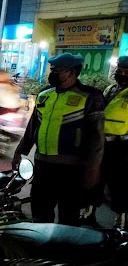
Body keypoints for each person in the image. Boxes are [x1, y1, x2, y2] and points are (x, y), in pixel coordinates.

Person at [12, 53, 105, 225]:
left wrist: (93, 171)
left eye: (57, 70)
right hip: (43, 166)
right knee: (39, 213)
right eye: (52, 70)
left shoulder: (90, 97)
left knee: (68, 216)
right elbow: (33, 127)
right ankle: (41, 249)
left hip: (71, 170)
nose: (52, 73)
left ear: (71, 72)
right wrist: (20, 151)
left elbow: (96, 140)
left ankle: (62, 250)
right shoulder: (44, 95)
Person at [100, 56, 128, 228]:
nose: (122, 73)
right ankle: (88, 213)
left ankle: (121, 218)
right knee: (98, 180)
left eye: (126, 71)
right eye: (120, 70)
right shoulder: (110, 89)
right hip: (103, 143)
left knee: (121, 184)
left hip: (124, 147)